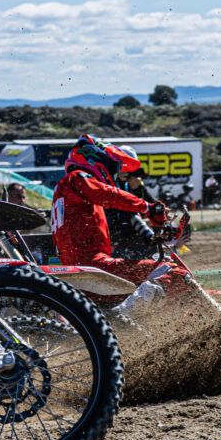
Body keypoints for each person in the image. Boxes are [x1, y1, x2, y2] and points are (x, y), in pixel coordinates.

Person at [51, 134, 186, 314]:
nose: (114, 173)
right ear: (94, 158)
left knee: (155, 281)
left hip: (83, 271)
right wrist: (147, 207)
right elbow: (108, 194)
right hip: (94, 268)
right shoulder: (75, 179)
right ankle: (122, 317)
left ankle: (124, 317)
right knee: (173, 272)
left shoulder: (67, 192)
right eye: (112, 167)